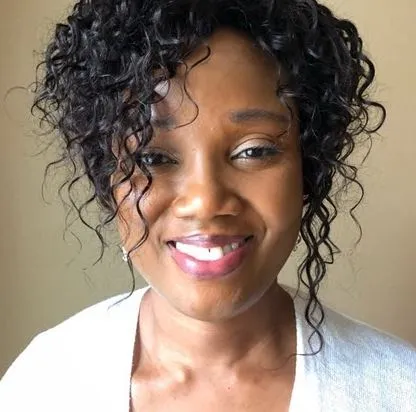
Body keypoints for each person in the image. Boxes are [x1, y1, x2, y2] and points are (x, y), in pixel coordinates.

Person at [1, 0, 415, 411]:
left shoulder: (398, 391)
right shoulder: (43, 386)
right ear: (108, 179)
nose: (206, 201)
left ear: (308, 168)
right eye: (152, 157)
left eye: (254, 151)